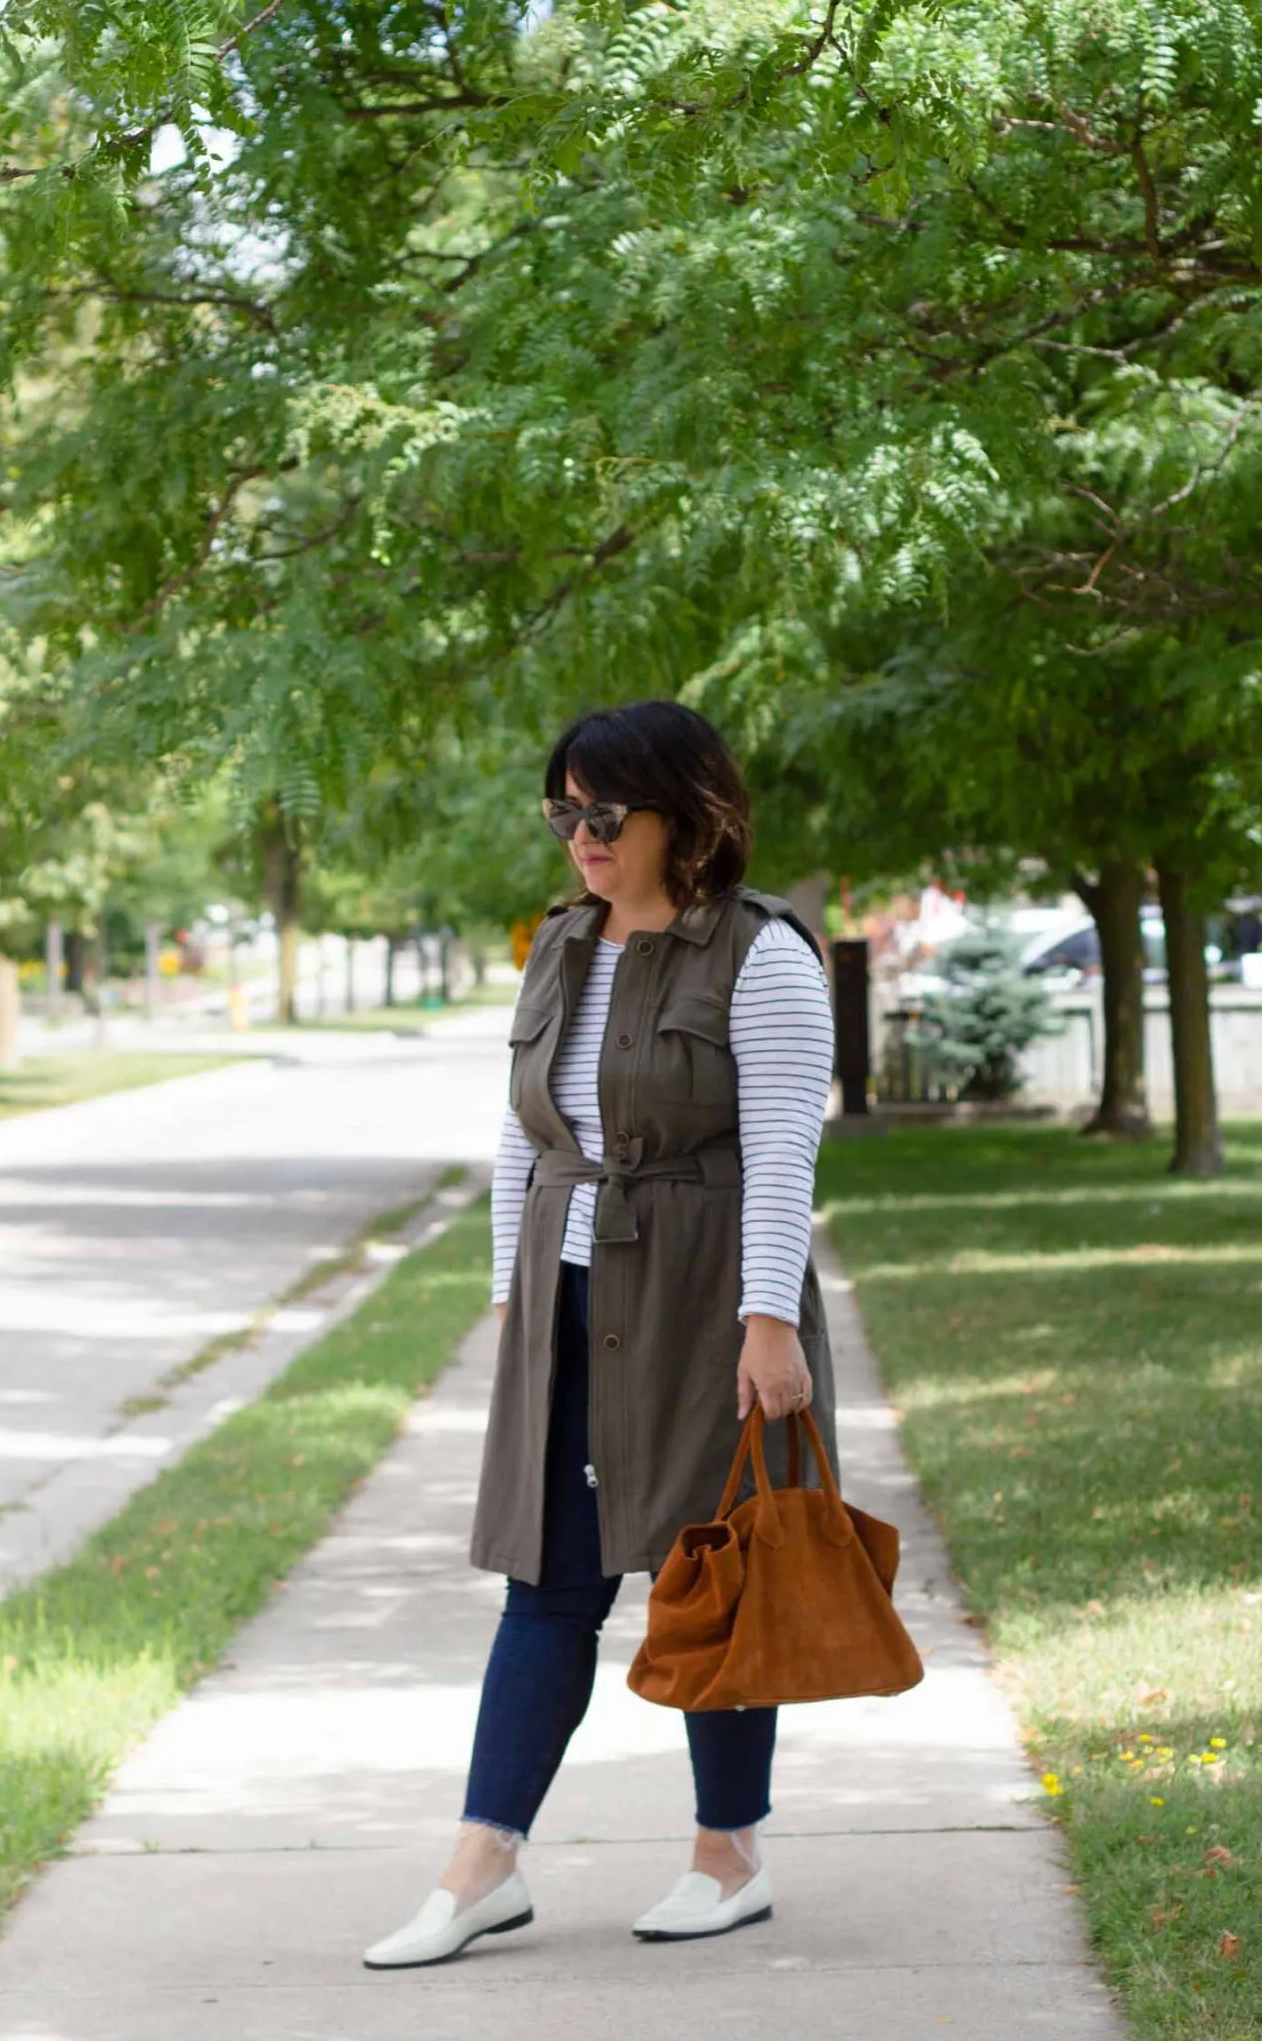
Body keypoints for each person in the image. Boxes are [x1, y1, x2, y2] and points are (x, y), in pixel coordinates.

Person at [364, 700, 836, 1969]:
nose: (580, 836)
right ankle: (482, 1866)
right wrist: (513, 1298)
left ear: (689, 814)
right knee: (547, 1581)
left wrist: (770, 1319)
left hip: (705, 1304)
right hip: (571, 1303)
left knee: (714, 1575)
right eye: (563, 811)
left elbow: (786, 1144)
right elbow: (526, 1132)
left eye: (604, 813)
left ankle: (728, 1854)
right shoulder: (561, 945)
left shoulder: (763, 952)